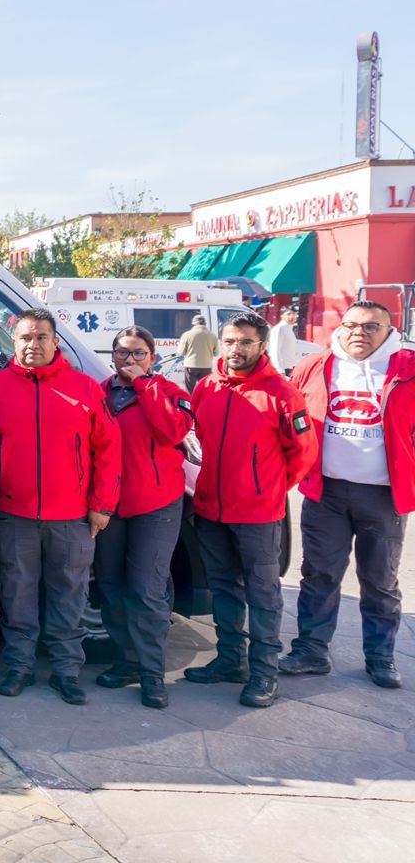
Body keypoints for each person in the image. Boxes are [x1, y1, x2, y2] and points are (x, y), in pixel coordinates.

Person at [0, 308, 121, 705]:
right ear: (14, 341)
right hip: (16, 514)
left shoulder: (85, 388)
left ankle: (65, 672)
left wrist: (102, 505)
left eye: (41, 337)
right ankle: (19, 667)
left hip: (73, 517)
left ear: (55, 341)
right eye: (26, 337)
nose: (33, 344)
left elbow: (109, 450)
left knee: (69, 597)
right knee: (17, 596)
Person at [281, 300, 415, 689]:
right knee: (319, 575)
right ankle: (310, 651)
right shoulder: (315, 366)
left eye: (372, 326)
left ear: (389, 332)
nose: (360, 332)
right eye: (352, 324)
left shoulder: (407, 368)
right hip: (326, 492)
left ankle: (380, 657)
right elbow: (289, 415)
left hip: (383, 496)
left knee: (379, 581)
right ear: (341, 328)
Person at [185, 314, 316, 708]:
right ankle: (229, 662)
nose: (236, 349)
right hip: (211, 510)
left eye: (245, 342)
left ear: (261, 346)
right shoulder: (207, 387)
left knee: (263, 596)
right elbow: (202, 439)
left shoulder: (282, 393)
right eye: (229, 341)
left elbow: (304, 453)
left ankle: (264, 674)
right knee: (224, 591)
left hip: (258, 514)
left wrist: (269, 488)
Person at [93, 326, 193, 709]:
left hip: (156, 506)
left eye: (138, 354)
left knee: (147, 592)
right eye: (122, 353)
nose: (129, 360)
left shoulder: (169, 393)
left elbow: (172, 431)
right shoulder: (100, 392)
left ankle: (153, 675)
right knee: (112, 588)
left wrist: (144, 387)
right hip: (110, 507)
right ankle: (127, 663)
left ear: (152, 357)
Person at [177, 315, 219, 392]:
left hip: (190, 366)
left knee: (190, 390)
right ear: (205, 324)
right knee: (204, 389)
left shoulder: (187, 335)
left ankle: (190, 403)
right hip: (206, 366)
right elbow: (216, 353)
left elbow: (181, 352)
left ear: (193, 324)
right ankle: (202, 403)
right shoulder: (213, 336)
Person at [268, 307, 301, 376]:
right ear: (282, 316)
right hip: (283, 369)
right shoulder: (280, 328)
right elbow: (275, 350)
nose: (292, 316)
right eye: (288, 314)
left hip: (291, 367)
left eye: (294, 314)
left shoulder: (289, 328)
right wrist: (279, 369)